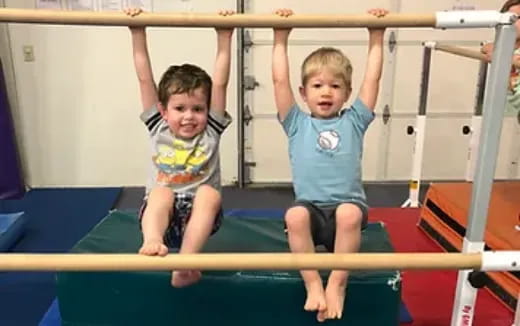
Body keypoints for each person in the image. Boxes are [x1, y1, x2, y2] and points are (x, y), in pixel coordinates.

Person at [271, 8, 388, 322]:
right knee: (293, 215)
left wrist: (377, 34)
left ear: (347, 93)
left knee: (349, 213)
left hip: (345, 210)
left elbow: (372, 79)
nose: (326, 92)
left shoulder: (355, 121)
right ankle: (313, 284)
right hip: (310, 209)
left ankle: (337, 283)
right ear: (303, 94)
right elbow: (279, 80)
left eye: (335, 87)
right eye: (318, 86)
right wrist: (280, 35)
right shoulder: (296, 123)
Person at [125, 7, 234, 288]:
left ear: (208, 110)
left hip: (200, 217)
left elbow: (220, 82)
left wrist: (225, 36)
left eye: (198, 109)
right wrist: (137, 31)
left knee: (209, 194)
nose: (189, 116)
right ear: (163, 111)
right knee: (161, 193)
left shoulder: (211, 130)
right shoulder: (157, 127)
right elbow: (144, 79)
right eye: (180, 108)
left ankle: (184, 263)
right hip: (163, 214)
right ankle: (152, 240)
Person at [481, 0, 520, 116]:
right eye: (508, 18)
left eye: (516, 18)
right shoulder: (497, 49)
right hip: (499, 120)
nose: (512, 22)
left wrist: (504, 60)